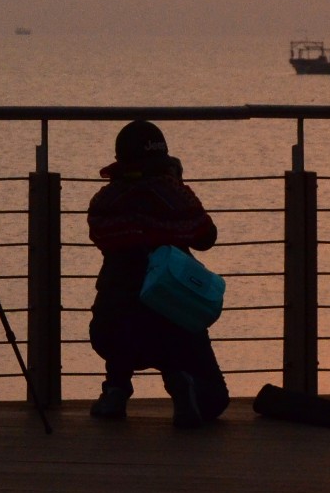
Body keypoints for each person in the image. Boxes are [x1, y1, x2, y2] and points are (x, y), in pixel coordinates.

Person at [86, 119, 229, 427]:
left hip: (111, 329)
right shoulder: (174, 198)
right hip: (172, 325)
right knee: (215, 398)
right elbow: (207, 237)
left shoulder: (104, 202)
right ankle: (181, 382)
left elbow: (103, 237)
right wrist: (177, 186)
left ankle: (116, 389)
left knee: (125, 289)